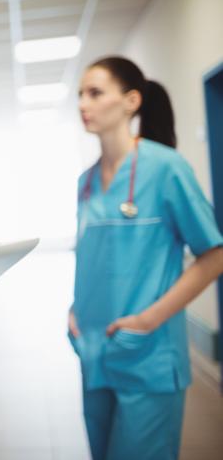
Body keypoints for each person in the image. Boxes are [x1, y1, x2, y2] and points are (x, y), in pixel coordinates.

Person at [70, 56, 223, 460]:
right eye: (80, 94)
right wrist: (74, 310)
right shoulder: (85, 182)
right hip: (94, 349)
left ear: (131, 100)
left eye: (95, 93)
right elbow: (92, 258)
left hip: (147, 352)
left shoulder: (167, 168)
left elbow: (215, 255)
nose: (83, 103)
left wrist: (148, 319)